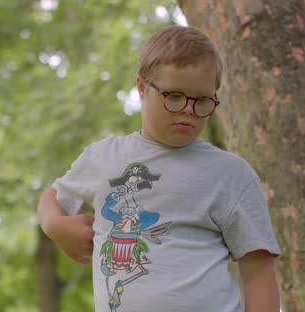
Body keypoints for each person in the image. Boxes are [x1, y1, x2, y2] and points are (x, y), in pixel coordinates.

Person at [38, 25, 281, 312]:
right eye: (174, 96)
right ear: (142, 86)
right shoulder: (104, 158)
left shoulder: (231, 174)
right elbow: (53, 197)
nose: (188, 110)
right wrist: (54, 225)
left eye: (203, 100)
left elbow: (259, 272)